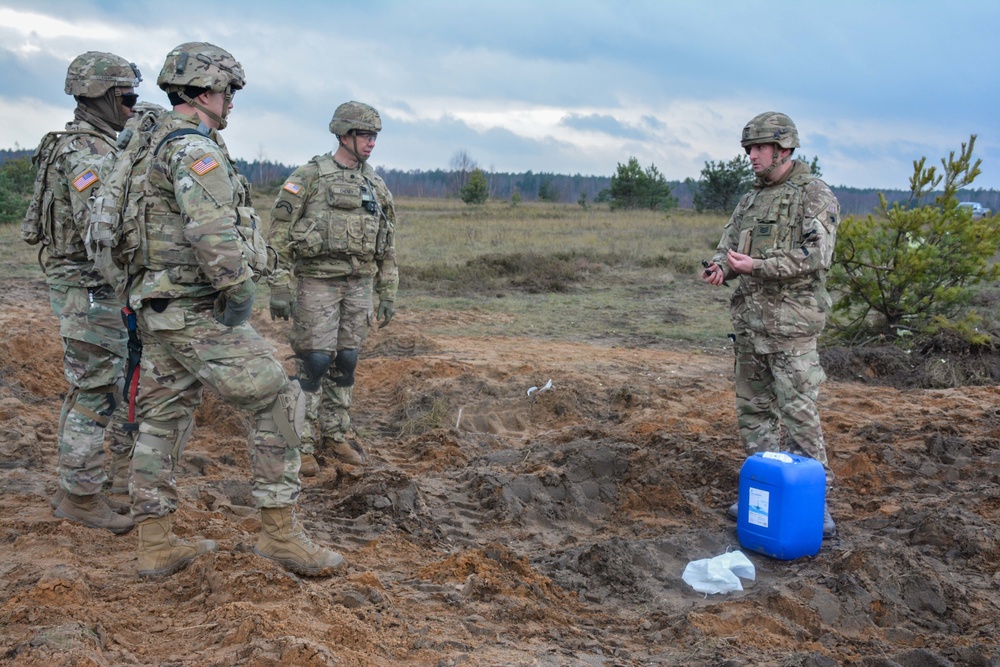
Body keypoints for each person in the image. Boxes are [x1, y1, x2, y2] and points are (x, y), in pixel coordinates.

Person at [125, 42, 344, 578]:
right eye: (227, 92)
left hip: (157, 305)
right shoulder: (193, 150)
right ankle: (280, 535)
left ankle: (154, 545)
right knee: (277, 397)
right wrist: (237, 288)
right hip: (195, 308)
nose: (231, 103)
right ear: (204, 91)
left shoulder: (148, 142)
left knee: (162, 417)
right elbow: (211, 229)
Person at [702, 111, 840, 538]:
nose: (751, 156)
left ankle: (813, 504)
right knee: (754, 414)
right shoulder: (749, 200)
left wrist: (757, 266)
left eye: (758, 148)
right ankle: (763, 491)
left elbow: (816, 257)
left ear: (783, 149)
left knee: (799, 417)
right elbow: (729, 247)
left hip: (792, 327)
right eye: (748, 149)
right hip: (751, 326)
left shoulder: (814, 195)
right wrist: (722, 267)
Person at [21, 51, 142, 534]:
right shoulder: (88, 153)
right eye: (128, 98)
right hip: (90, 288)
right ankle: (81, 497)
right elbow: (102, 230)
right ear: (105, 97)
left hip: (90, 287)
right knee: (95, 391)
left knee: (94, 386)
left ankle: (80, 486)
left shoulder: (91, 145)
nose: (134, 107)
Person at [267, 101, 398, 477]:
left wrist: (388, 291)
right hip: (316, 282)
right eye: (365, 135)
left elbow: (388, 243)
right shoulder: (309, 177)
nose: (372, 143)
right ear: (343, 135)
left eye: (375, 136)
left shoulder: (375, 184)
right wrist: (279, 285)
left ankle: (335, 434)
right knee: (315, 361)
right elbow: (278, 233)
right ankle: (301, 443)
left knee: (347, 359)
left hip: (359, 283)